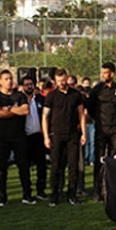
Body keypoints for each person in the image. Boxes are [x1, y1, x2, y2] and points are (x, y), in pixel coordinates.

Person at [43, 69, 87, 206]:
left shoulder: (76, 95)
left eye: (63, 80)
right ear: (55, 81)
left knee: (73, 166)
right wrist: (46, 136)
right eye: (58, 81)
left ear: (67, 79)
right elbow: (45, 117)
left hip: (72, 135)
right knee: (56, 165)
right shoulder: (51, 96)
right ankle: (55, 194)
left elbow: (81, 115)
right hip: (56, 135)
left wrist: (84, 133)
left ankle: (72, 194)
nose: (61, 83)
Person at [0, 70, 33, 207]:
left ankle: (27, 195)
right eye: (6, 79)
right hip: (2, 137)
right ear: (0, 81)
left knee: (24, 167)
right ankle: (3, 198)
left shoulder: (19, 95)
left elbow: (25, 111)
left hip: (19, 136)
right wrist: (15, 109)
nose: (9, 81)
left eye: (11, 78)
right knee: (1, 168)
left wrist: (8, 109)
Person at [88, 62, 116, 201]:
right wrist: (99, 120)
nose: (102, 75)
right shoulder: (96, 90)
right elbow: (90, 108)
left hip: (115, 130)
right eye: (102, 72)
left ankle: (111, 189)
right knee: (99, 160)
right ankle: (97, 191)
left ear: (112, 74)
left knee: (113, 159)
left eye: (105, 73)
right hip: (101, 129)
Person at [21, 76, 48, 200]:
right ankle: (27, 193)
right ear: (22, 86)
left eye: (31, 84)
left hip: (38, 136)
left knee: (42, 165)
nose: (29, 86)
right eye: (26, 84)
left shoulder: (41, 99)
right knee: (25, 167)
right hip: (24, 137)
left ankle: (41, 190)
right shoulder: (19, 100)